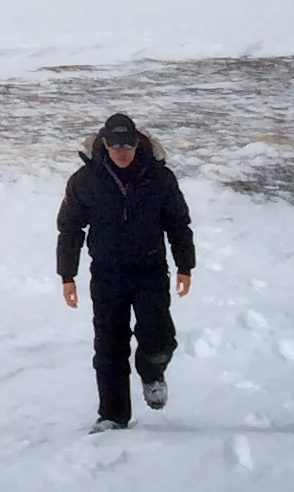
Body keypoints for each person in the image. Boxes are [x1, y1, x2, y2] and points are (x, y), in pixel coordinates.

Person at [56, 110, 195, 431]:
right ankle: (112, 416)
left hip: (150, 271)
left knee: (160, 340)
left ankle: (151, 370)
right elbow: (70, 228)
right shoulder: (85, 180)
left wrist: (185, 265)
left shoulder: (160, 178)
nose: (122, 152)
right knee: (109, 345)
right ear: (104, 144)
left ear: (137, 144)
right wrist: (67, 275)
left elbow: (178, 223)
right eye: (116, 146)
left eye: (128, 146)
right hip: (106, 275)